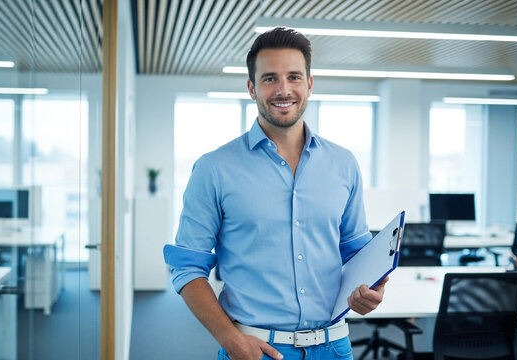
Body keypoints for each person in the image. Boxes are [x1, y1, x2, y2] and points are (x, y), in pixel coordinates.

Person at [164, 27, 387, 360]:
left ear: (309, 84)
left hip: (334, 347)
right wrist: (229, 339)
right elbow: (187, 267)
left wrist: (373, 287)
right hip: (255, 349)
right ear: (252, 88)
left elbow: (355, 250)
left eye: (294, 77)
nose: (284, 90)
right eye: (270, 79)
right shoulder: (215, 168)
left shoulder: (344, 163)